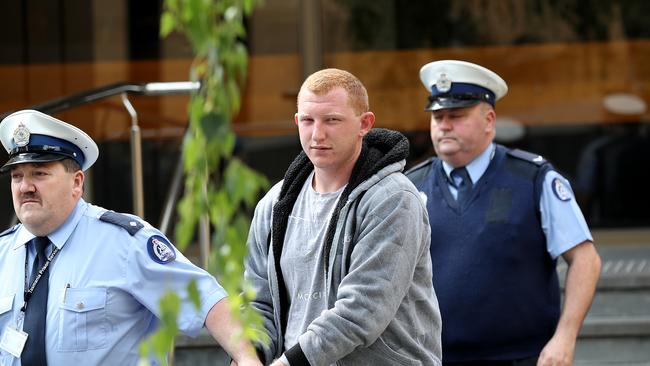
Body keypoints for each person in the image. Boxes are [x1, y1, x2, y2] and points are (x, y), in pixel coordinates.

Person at [0, 109, 261, 366]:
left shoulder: (123, 242)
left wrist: (247, 358)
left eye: (40, 173)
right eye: (17, 176)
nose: (25, 187)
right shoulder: (3, 252)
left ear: (77, 183)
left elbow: (206, 299)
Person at [406, 60, 602, 366]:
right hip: (434, 357)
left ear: (489, 119)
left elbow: (585, 260)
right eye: (437, 116)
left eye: (456, 116)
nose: (443, 125)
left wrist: (565, 337)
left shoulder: (532, 178)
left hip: (521, 357)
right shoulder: (409, 188)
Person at [244, 68, 442, 366]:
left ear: (365, 124)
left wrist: (287, 364)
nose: (318, 134)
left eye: (332, 120)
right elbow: (259, 301)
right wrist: (249, 355)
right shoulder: (274, 203)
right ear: (297, 122)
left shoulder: (394, 200)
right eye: (308, 121)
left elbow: (361, 311)